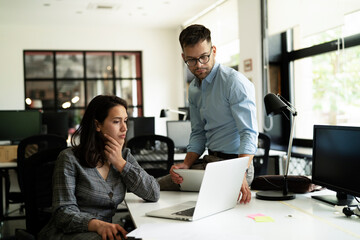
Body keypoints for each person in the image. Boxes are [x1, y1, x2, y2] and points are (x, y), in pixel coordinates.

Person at [159, 24, 258, 204]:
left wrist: (239, 172)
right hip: (210, 162)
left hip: (235, 165)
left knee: (205, 205)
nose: (199, 65)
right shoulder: (195, 89)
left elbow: (249, 134)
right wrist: (187, 164)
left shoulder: (234, 83)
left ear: (213, 50)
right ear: (183, 57)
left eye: (204, 57)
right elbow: (198, 133)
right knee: (159, 187)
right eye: (191, 60)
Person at [38, 95, 160, 240]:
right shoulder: (69, 158)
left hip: (104, 234)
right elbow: (63, 213)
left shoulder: (124, 156)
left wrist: (120, 164)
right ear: (97, 125)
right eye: (116, 122)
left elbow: (153, 193)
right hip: (68, 234)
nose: (124, 128)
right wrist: (98, 225)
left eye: (125, 121)